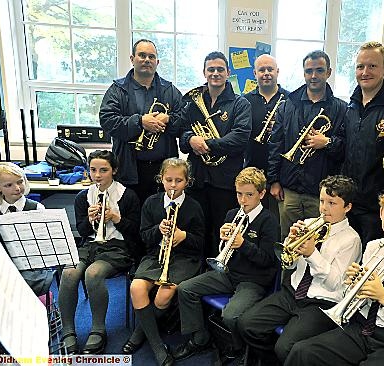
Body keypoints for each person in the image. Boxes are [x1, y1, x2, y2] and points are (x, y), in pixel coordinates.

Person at [285, 182, 384, 366]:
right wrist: (352, 285)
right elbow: (354, 299)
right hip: (362, 328)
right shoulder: (374, 247)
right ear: (380, 212)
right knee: (302, 353)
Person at [237, 175, 362, 364]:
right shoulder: (310, 223)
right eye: (321, 201)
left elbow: (335, 283)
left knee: (285, 347)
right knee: (246, 324)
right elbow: (289, 265)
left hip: (321, 303)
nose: (324, 208)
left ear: (348, 207)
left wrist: (312, 254)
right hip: (292, 292)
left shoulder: (351, 240)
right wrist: (291, 245)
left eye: (332, 203)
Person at [172, 167, 280, 363]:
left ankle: (238, 349)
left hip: (253, 280)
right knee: (185, 289)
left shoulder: (269, 221)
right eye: (239, 194)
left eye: (249, 195)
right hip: (228, 273)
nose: (243, 200)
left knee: (230, 316)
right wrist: (223, 241)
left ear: (262, 194)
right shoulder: (232, 214)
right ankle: (200, 338)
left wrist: (243, 245)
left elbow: (268, 261)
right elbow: (222, 253)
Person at [122, 158, 204, 366]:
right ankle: (158, 346)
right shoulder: (151, 203)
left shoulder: (194, 206)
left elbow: (201, 242)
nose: (173, 185)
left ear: (188, 182)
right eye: (169, 180)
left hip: (184, 258)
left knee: (163, 295)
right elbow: (144, 236)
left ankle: (140, 333)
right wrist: (158, 231)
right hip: (156, 256)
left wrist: (184, 235)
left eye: (179, 180)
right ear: (161, 179)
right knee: (137, 288)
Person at [58, 150, 140, 355]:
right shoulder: (83, 197)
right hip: (90, 245)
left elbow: (137, 233)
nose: (97, 175)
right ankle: (68, 330)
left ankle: (98, 329)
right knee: (68, 273)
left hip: (118, 247)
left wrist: (117, 218)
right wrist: (90, 220)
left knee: (93, 274)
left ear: (114, 171)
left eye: (103, 170)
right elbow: (83, 231)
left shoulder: (127, 196)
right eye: (93, 170)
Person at [178, 51, 252, 259]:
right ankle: (195, 271)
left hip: (225, 181)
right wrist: (190, 139)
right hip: (198, 178)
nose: (215, 73)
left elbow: (240, 139)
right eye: (211, 69)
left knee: (221, 229)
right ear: (204, 72)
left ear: (228, 72)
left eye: (220, 69)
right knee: (196, 227)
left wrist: (207, 143)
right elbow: (182, 132)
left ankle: (218, 269)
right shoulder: (192, 103)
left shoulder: (240, 104)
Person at [268, 50, 347, 239]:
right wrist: (273, 180)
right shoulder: (287, 106)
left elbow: (346, 147)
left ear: (328, 72)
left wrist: (327, 142)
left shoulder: (341, 108)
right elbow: (275, 144)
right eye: (309, 71)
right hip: (289, 190)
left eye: (319, 70)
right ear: (304, 73)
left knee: (318, 243)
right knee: (288, 241)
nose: (314, 76)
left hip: (322, 194)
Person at [100, 39, 183, 205]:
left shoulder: (169, 90)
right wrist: (140, 122)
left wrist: (168, 119)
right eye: (142, 55)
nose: (147, 60)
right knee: (131, 218)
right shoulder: (118, 89)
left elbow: (185, 120)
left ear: (157, 62)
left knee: (160, 218)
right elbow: (107, 120)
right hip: (129, 169)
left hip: (163, 170)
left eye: (151, 57)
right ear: (132, 59)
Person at [0, 162, 55, 355]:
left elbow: (46, 246)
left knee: (8, 289)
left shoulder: (36, 208)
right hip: (1, 267)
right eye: (9, 185)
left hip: (32, 267)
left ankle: (22, 337)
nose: (17, 188)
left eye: (20, 182)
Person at [341, 41, 384, 248]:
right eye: (360, 66)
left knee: (371, 264)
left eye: (372, 66)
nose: (365, 72)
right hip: (350, 202)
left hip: (378, 206)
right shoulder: (350, 106)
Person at [243, 54, 289, 214]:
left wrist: (278, 130)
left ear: (277, 71)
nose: (266, 73)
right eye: (261, 70)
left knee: (276, 221)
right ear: (255, 74)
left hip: (281, 174)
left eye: (270, 69)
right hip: (252, 167)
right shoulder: (245, 100)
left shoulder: (290, 99)